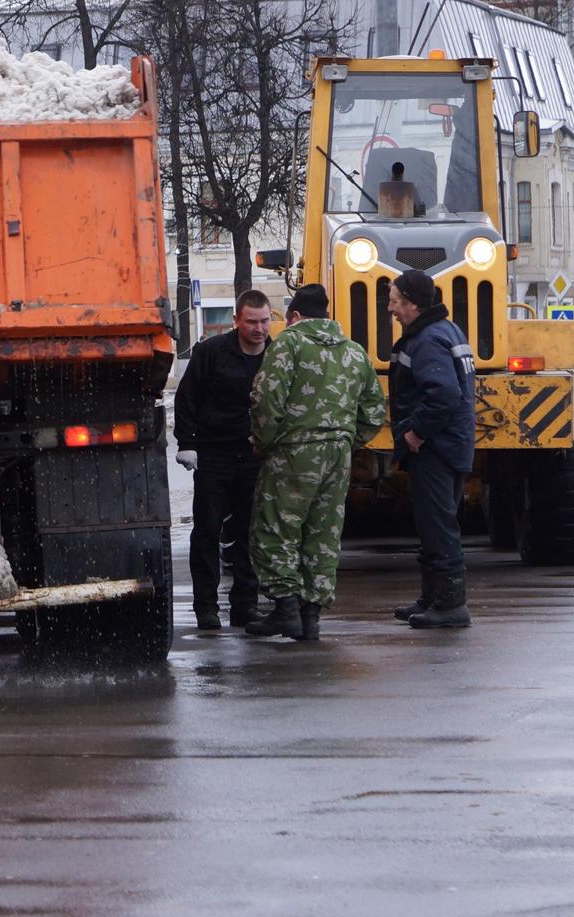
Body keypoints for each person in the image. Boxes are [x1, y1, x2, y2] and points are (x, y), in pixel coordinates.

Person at [242, 283, 386, 642]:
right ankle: (311, 618)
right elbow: (374, 411)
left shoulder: (289, 343)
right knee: (323, 533)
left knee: (276, 527)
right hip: (337, 456)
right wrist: (347, 440)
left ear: (294, 316)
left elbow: (266, 397)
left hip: (292, 451)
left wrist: (265, 441)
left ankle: (285, 610)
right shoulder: (354, 353)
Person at [175, 291, 275, 629]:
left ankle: (244, 605)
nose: (259, 329)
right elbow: (187, 397)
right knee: (207, 530)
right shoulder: (212, 353)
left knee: (250, 533)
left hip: (254, 457)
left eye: (264, 321)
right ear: (236, 321)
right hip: (214, 455)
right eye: (251, 322)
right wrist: (186, 443)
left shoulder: (277, 356)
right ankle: (206, 607)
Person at [385, 268, 477, 631]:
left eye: (394, 301)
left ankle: (451, 605)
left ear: (411, 303)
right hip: (452, 445)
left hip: (437, 449)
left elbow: (444, 394)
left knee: (438, 526)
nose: (390, 309)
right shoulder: (447, 331)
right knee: (433, 522)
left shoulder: (427, 339)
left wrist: (415, 434)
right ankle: (433, 598)